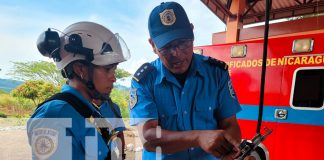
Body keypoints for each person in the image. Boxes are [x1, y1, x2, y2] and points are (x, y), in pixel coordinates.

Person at [129, 2, 255, 160]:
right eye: (166, 47)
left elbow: (230, 124)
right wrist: (198, 137)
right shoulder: (144, 80)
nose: (176, 54)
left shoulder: (217, 73)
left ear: (192, 32)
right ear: (153, 45)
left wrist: (230, 146)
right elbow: (148, 137)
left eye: (183, 43)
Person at [27, 21, 130, 160]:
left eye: (114, 70)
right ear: (80, 69)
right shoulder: (55, 117)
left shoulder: (90, 111)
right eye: (108, 69)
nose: (113, 78)